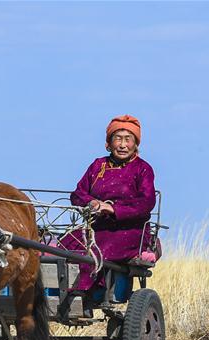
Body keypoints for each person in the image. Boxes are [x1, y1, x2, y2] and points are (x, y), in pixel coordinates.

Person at [66, 114, 157, 291]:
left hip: (130, 232)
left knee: (95, 253)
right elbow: (77, 194)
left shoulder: (143, 169)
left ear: (136, 143)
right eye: (118, 139)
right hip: (95, 228)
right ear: (109, 143)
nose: (123, 145)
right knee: (64, 246)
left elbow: (146, 203)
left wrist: (113, 209)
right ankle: (54, 294)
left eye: (128, 139)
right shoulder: (97, 165)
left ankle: (81, 295)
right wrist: (92, 203)